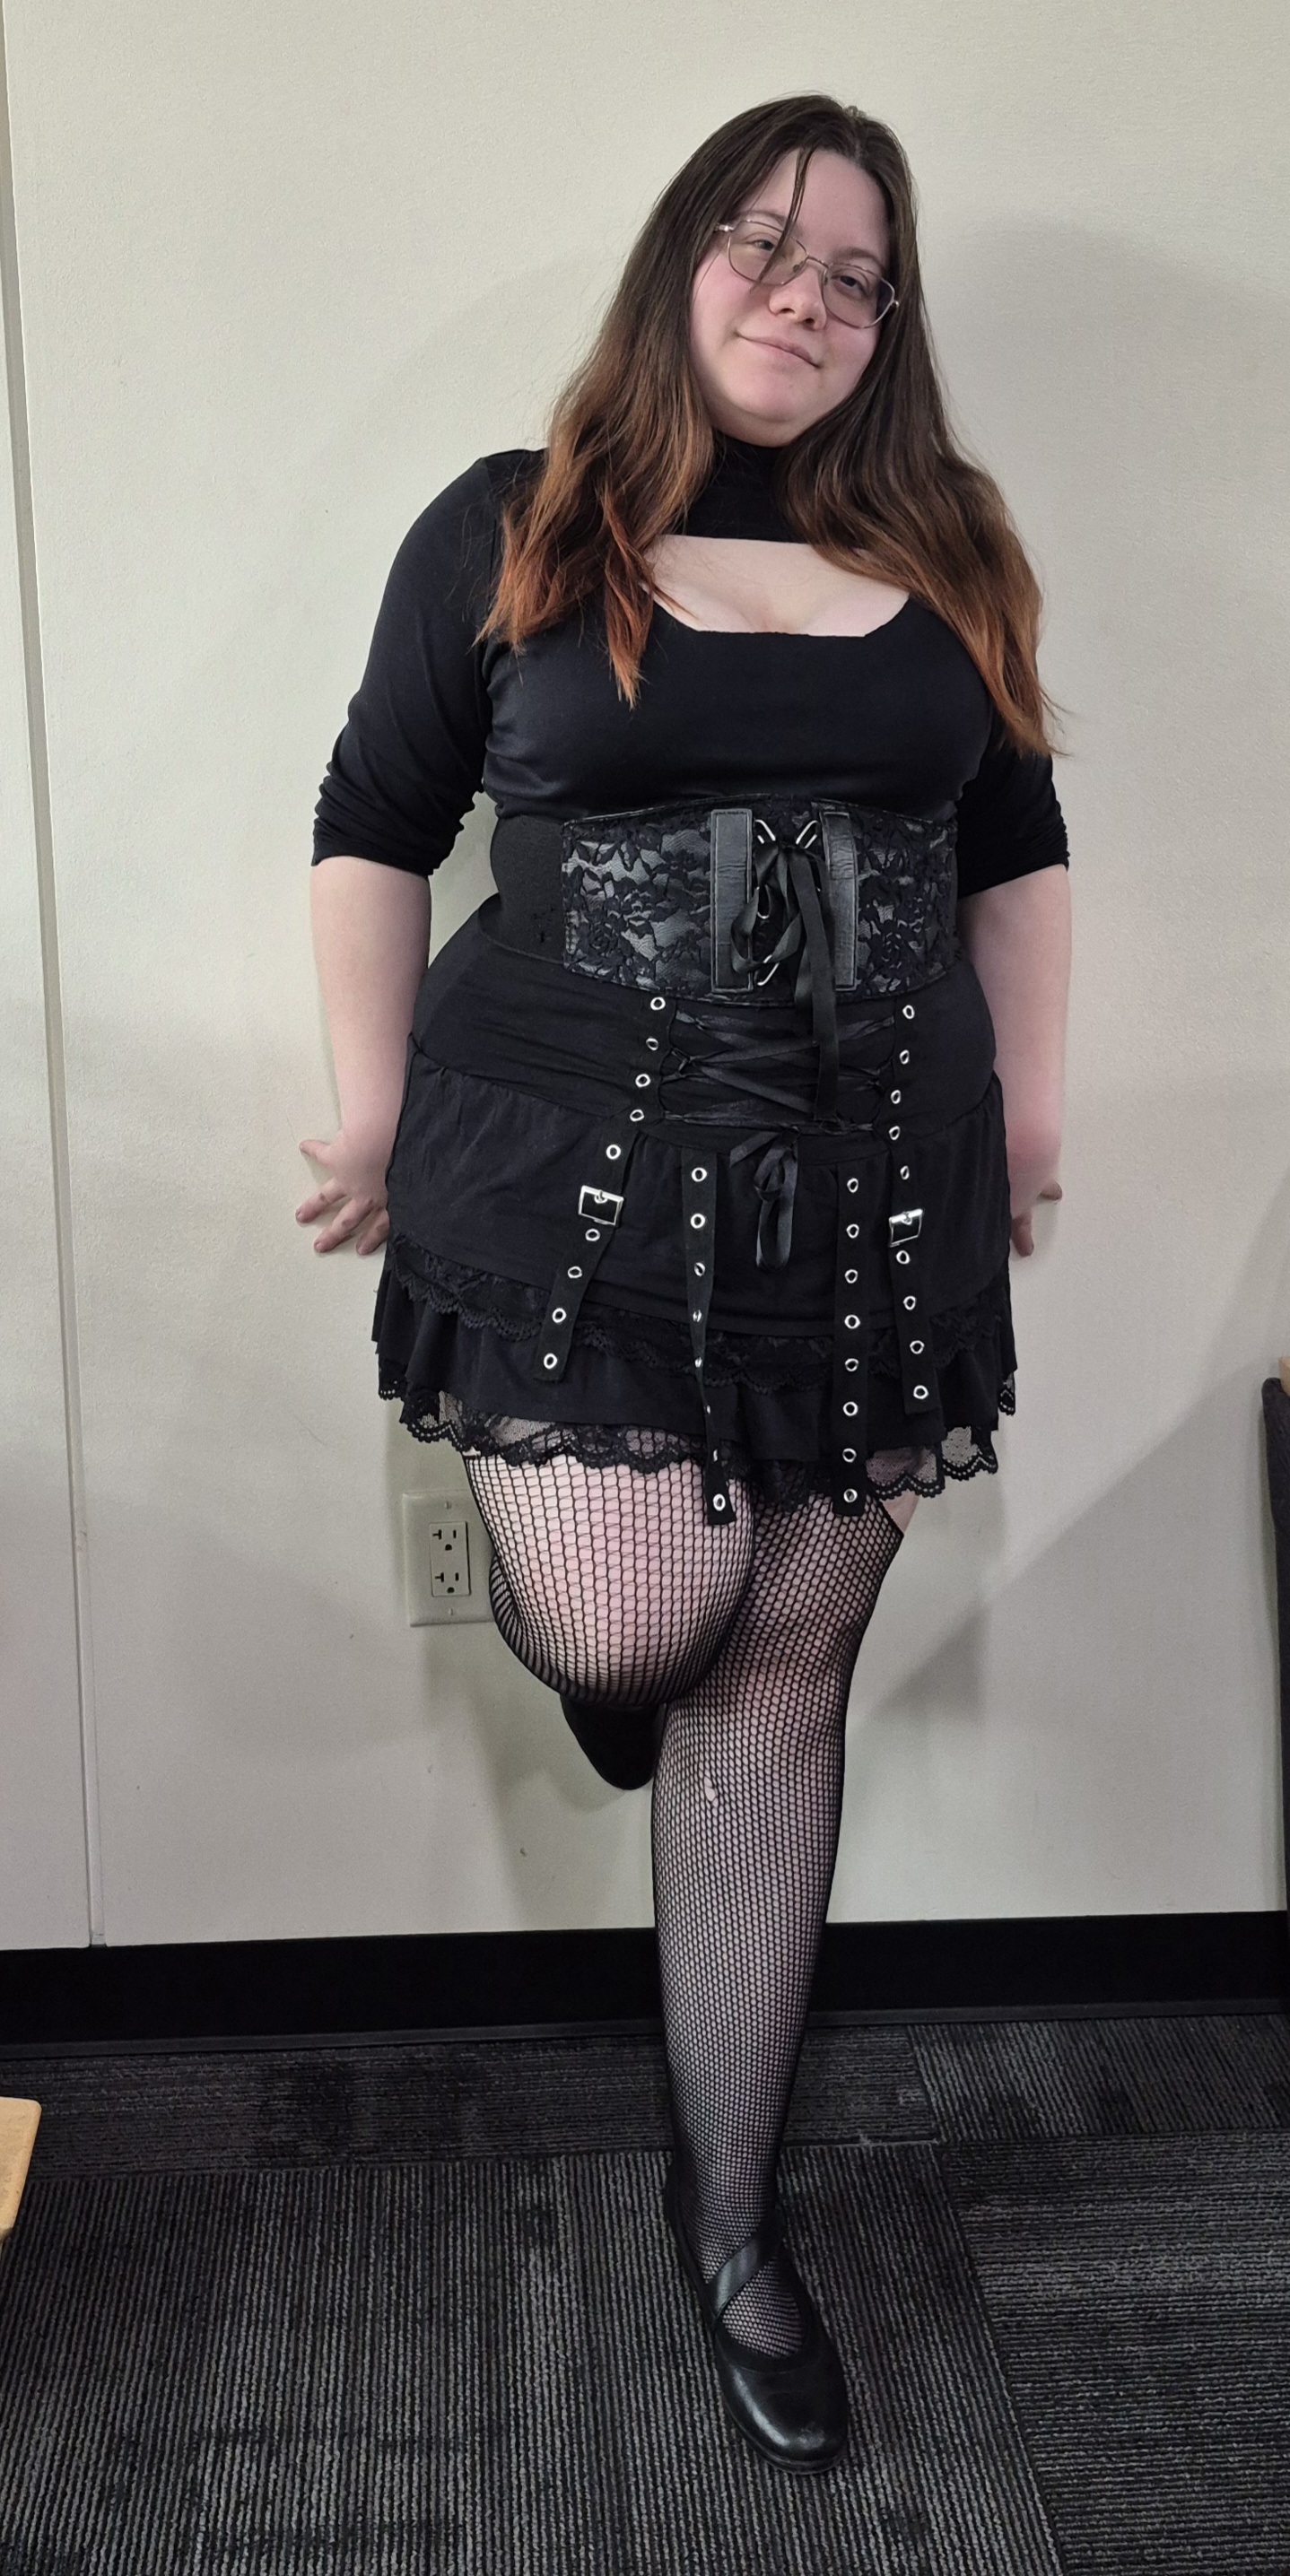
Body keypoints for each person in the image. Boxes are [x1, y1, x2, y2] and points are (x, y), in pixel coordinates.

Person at [299, 92, 1071, 2475]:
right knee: (639, 1627)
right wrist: (366, 1106)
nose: (805, 302)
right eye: (764, 247)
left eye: (856, 277)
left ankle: (734, 2225)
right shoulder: (514, 524)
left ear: (888, 324)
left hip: (877, 1191)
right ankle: (609, 1682)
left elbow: (1019, 839)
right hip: (576, 1175)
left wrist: (1037, 1106)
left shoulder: (944, 545)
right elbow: (374, 821)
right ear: (681, 261)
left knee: (785, 1687)